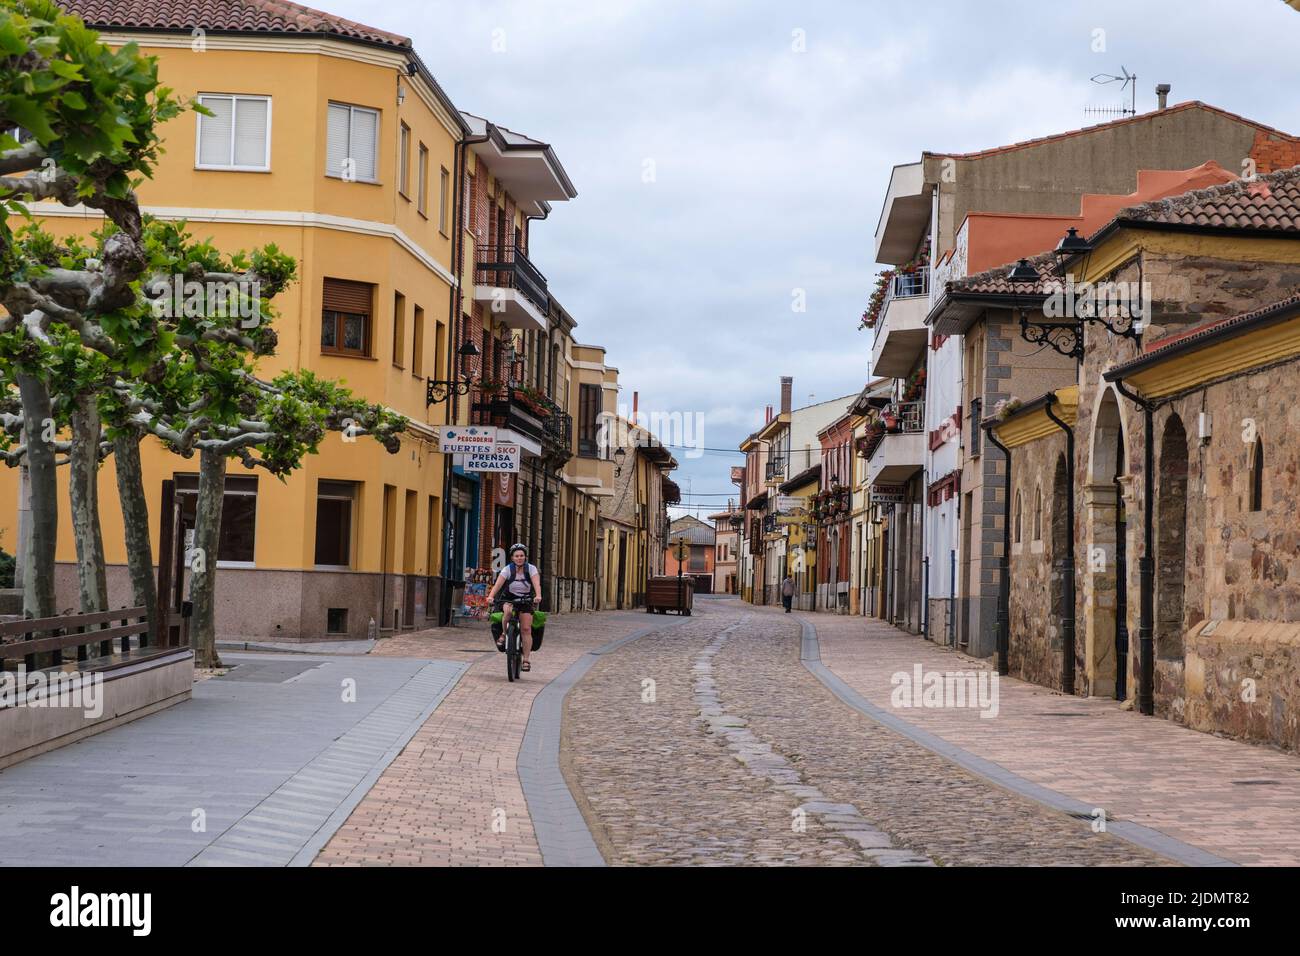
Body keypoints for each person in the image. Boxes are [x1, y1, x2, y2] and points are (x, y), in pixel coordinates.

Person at [486, 543, 543, 672]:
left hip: (526, 599)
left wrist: (538, 595)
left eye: (522, 555)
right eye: (516, 556)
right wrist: (490, 596)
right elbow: (498, 585)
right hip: (509, 598)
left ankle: (526, 660)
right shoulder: (507, 569)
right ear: (512, 558)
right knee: (507, 611)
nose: (519, 558)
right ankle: (504, 634)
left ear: (525, 557)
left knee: (526, 629)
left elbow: (536, 584)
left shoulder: (531, 569)